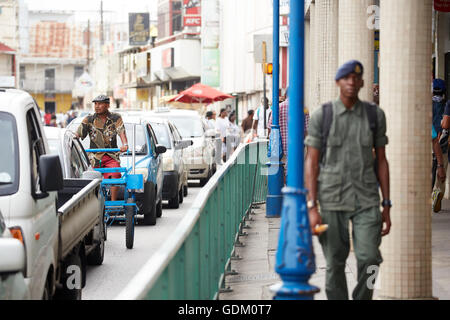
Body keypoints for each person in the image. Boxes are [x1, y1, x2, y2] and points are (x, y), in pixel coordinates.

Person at [304, 60, 391, 300]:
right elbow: (311, 163)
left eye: (356, 79)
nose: (351, 82)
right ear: (337, 82)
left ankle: (365, 296)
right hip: (331, 201)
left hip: (367, 200)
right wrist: (312, 206)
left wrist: (387, 204)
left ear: (362, 82)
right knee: (334, 264)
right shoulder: (323, 115)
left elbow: (382, 161)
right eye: (346, 78)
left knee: (371, 259)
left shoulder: (375, 115)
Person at [75, 95, 129, 201]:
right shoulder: (89, 119)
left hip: (111, 155)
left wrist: (125, 144)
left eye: (100, 104)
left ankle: (113, 202)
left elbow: (121, 131)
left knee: (115, 173)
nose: (97, 106)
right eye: (95, 104)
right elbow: (78, 134)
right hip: (94, 157)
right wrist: (72, 138)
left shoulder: (116, 118)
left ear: (107, 105)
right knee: (90, 179)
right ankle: (93, 202)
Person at [268, 87, 310, 182]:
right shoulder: (304, 109)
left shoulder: (277, 108)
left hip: (280, 148)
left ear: (285, 95)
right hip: (298, 148)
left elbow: (270, 129)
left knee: (282, 171)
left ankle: (285, 189)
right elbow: (307, 131)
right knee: (296, 172)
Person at [431, 79, 448, 212]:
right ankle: (438, 192)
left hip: (435, 140)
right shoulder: (445, 103)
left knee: (437, 166)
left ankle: (435, 192)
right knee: (442, 166)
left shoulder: (428, 104)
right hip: (444, 139)